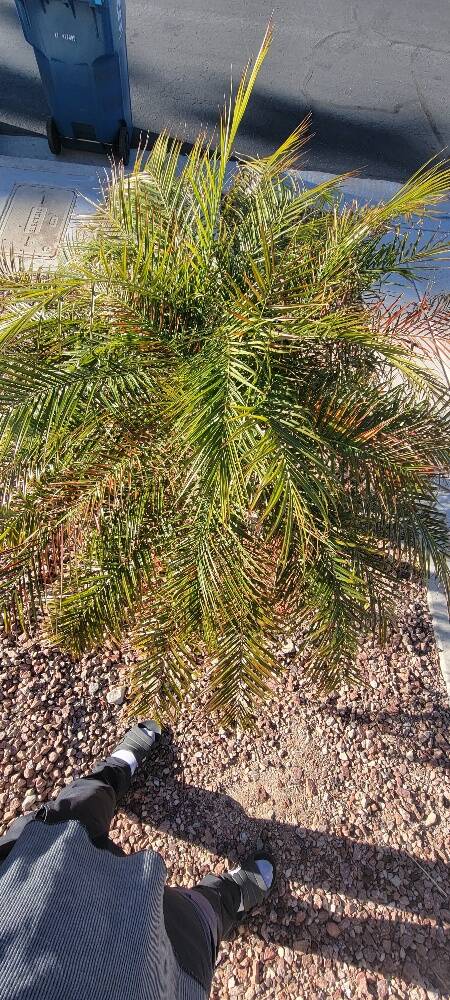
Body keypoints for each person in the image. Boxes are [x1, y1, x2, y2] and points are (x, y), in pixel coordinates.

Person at [0, 720, 275, 999]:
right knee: (194, 925)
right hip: (144, 976)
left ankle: (114, 773)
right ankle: (226, 900)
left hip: (23, 888)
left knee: (76, 814)